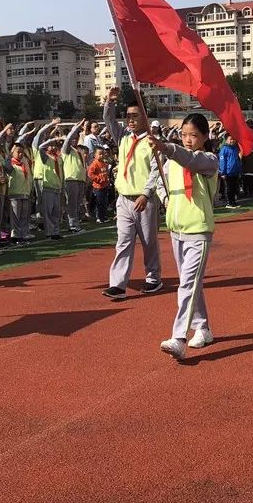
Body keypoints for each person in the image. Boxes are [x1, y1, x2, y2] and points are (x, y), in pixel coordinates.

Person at [147, 114, 219, 360]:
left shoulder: (208, 160)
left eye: (194, 136)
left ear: (205, 137)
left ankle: (179, 338)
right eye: (184, 135)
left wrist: (167, 147)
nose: (188, 140)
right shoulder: (170, 162)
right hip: (176, 230)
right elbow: (158, 179)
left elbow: (190, 160)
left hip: (198, 229)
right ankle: (203, 328)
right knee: (192, 283)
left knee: (187, 284)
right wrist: (166, 199)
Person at [102, 87, 162, 300]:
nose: (130, 120)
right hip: (124, 199)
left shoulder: (152, 142)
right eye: (127, 116)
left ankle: (153, 278)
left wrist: (145, 194)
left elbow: (156, 171)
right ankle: (117, 284)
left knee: (149, 242)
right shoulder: (124, 138)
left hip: (144, 201)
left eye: (135, 116)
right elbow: (109, 122)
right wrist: (110, 102)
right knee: (123, 242)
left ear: (145, 118)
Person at [61, 119, 87, 234]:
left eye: (76, 138)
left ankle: (76, 223)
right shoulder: (66, 150)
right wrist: (75, 128)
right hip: (71, 179)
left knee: (77, 203)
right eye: (73, 138)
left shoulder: (79, 150)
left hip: (80, 179)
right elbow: (67, 140)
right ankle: (72, 225)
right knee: (71, 203)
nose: (75, 140)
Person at [7, 142, 33, 243]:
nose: (21, 154)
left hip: (25, 193)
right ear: (13, 152)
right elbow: (6, 165)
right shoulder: (11, 164)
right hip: (15, 193)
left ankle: (23, 235)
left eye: (22, 152)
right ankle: (15, 236)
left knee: (23, 216)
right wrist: (10, 153)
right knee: (16, 216)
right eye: (18, 152)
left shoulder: (23, 163)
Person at [87, 146, 112, 223]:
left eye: (103, 154)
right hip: (98, 187)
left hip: (104, 186)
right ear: (95, 155)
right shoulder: (94, 163)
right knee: (99, 202)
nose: (102, 155)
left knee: (104, 202)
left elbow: (105, 174)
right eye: (100, 154)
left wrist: (107, 181)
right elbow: (90, 174)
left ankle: (103, 216)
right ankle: (99, 217)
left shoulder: (104, 163)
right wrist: (99, 179)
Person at [217, 133, 242, 208]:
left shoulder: (235, 148)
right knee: (229, 188)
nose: (232, 141)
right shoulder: (224, 150)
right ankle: (229, 203)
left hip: (235, 172)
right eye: (231, 139)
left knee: (234, 188)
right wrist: (223, 173)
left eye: (233, 139)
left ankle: (233, 202)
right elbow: (222, 162)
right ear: (226, 140)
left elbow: (237, 160)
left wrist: (239, 170)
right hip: (228, 172)